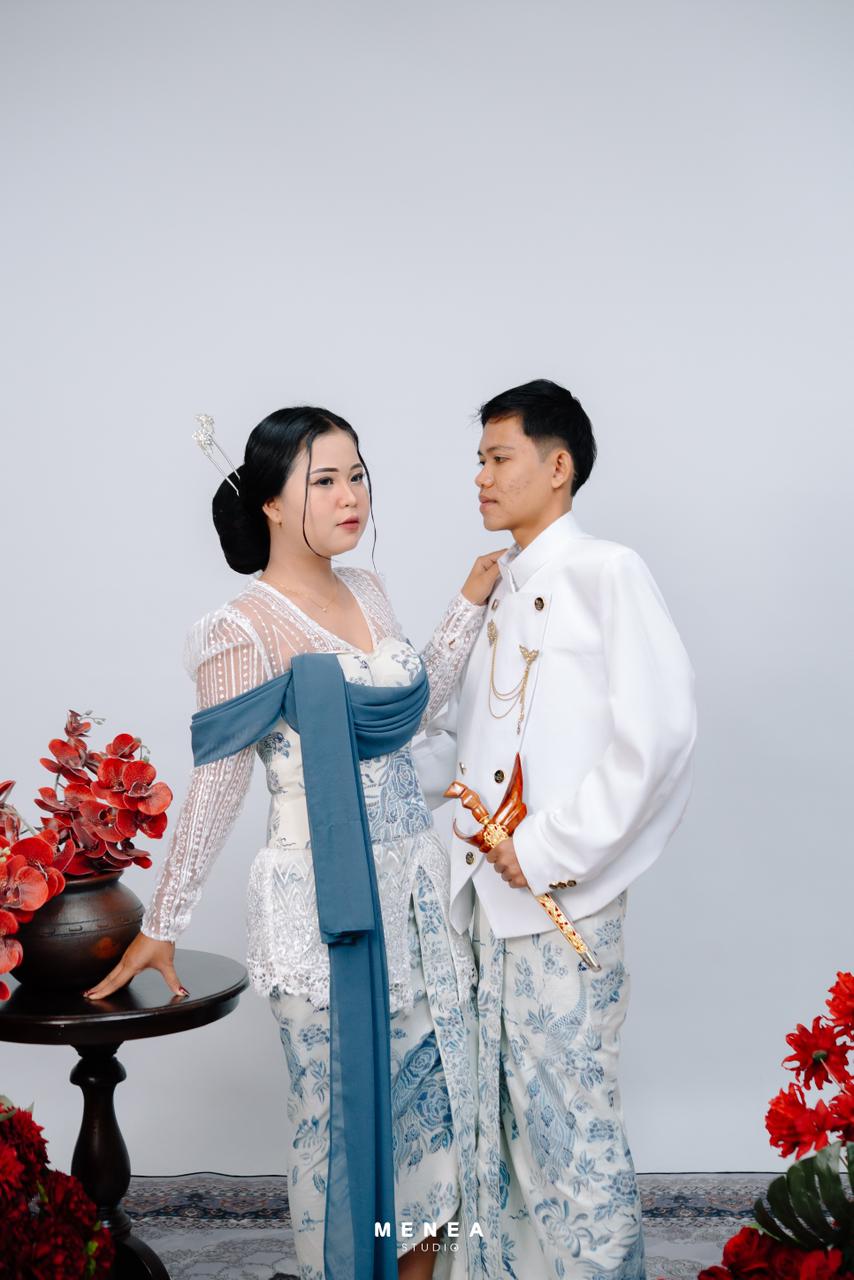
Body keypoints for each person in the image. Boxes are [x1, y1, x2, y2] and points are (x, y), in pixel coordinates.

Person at [85, 406, 504, 1280]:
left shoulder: (370, 590)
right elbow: (218, 784)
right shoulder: (241, 628)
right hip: (321, 908)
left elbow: (414, 713)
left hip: (416, 896)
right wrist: (165, 921)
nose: (352, 497)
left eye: (358, 475)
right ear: (271, 502)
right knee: (339, 1125)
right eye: (326, 481)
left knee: (434, 1128)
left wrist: (468, 600)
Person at [413, 379, 697, 1279]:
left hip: (558, 899)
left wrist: (543, 850)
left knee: (573, 1133)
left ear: (558, 465)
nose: (481, 478)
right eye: (479, 461)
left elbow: (659, 735)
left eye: (499, 458)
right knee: (494, 1132)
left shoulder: (608, 571)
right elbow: (466, 743)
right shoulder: (499, 587)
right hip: (481, 904)